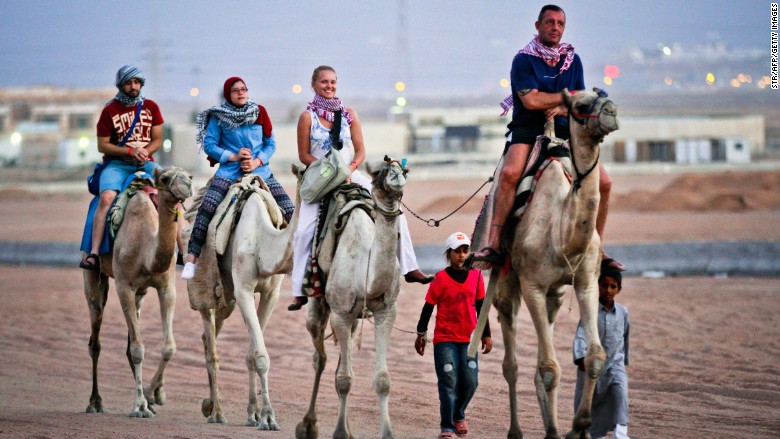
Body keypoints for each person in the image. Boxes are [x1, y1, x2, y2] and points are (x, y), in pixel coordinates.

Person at [471, 4, 623, 271]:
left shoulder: (572, 59)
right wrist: (568, 97)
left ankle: (599, 246)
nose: (555, 28)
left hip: (566, 130)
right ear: (538, 25)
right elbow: (530, 100)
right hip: (529, 129)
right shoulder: (523, 60)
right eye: (550, 22)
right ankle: (494, 243)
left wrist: (565, 105)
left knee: (606, 183)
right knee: (509, 174)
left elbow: (580, 97)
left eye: (560, 24)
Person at [287, 65, 432, 311]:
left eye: (333, 81)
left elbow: (360, 150)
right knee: (303, 233)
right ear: (314, 85)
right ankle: (300, 289)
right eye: (324, 82)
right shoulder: (307, 117)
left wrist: (351, 168)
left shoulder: (349, 114)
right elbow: (303, 155)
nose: (329, 86)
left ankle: (409, 267)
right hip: (321, 176)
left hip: (350, 174)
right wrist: (329, 170)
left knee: (394, 212)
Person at [181, 76, 294, 280]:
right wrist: (232, 156)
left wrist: (256, 162)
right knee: (207, 209)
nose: (241, 92)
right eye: (236, 90)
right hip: (229, 172)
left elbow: (271, 144)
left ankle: (299, 260)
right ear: (228, 94)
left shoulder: (260, 112)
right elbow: (210, 145)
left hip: (260, 172)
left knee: (290, 209)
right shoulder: (218, 117)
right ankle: (191, 259)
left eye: (244, 89)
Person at [80, 64, 166, 270]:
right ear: (120, 85)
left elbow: (157, 139)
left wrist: (145, 151)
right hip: (117, 165)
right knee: (106, 198)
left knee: (172, 192)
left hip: (146, 163)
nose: (133, 86)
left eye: (136, 82)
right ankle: (94, 253)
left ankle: (183, 249)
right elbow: (103, 145)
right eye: (128, 83)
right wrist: (129, 151)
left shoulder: (151, 107)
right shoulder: (110, 110)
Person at [414, 232, 492, 439]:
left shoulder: (476, 277)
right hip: (445, 340)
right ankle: (447, 426)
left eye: (465, 251)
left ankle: (458, 413)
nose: (461, 255)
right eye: (457, 251)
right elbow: (428, 307)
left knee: (471, 381)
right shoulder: (440, 278)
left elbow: (482, 307)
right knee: (448, 380)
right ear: (449, 254)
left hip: (469, 340)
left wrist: (486, 335)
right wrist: (421, 333)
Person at [573, 259, 631, 439]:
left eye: (613, 287)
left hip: (615, 365)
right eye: (604, 285)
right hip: (591, 367)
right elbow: (581, 333)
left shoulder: (623, 312)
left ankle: (621, 433)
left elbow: (625, 338)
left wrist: (624, 361)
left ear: (619, 289)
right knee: (590, 404)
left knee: (620, 394)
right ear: (597, 286)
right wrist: (581, 358)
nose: (608, 290)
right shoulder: (589, 310)